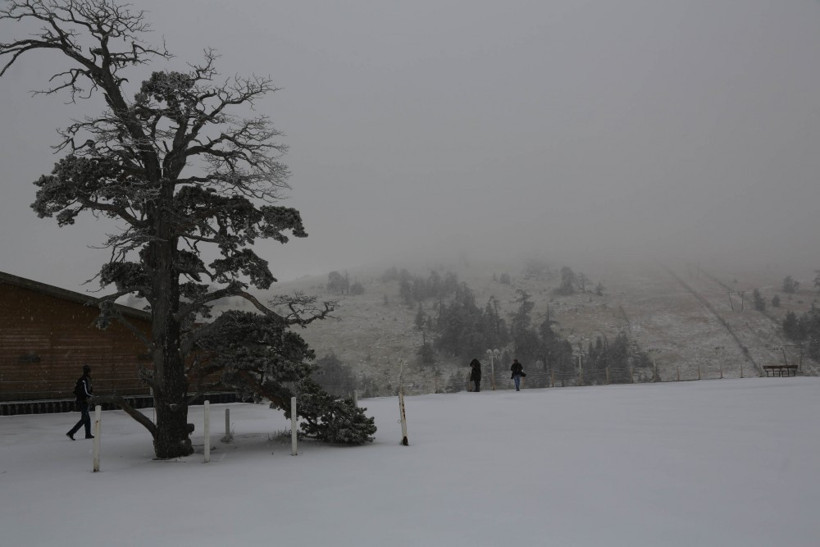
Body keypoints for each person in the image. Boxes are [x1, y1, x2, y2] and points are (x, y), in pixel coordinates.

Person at [66, 364, 94, 440]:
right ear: (88, 371)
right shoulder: (84, 379)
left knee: (87, 418)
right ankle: (71, 432)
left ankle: (88, 434)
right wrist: (91, 395)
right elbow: (85, 391)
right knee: (84, 418)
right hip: (83, 401)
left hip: (83, 400)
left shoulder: (85, 379)